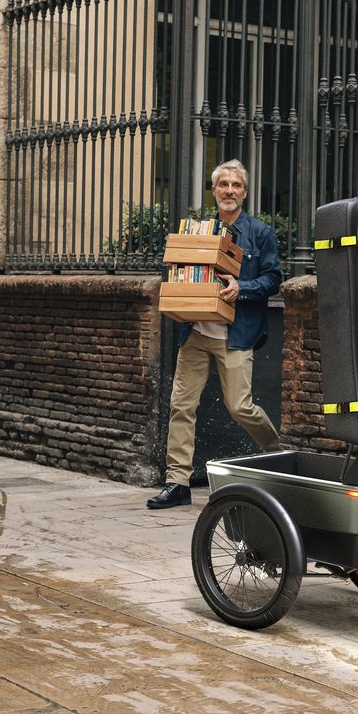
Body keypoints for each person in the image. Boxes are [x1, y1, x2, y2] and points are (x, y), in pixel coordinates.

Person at [147, 159, 282, 509]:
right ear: (214, 190)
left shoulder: (260, 233)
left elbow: (273, 279)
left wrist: (243, 287)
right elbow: (183, 266)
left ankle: (277, 453)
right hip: (196, 330)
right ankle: (177, 481)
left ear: (245, 192)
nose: (229, 191)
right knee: (181, 405)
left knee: (240, 406)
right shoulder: (200, 231)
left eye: (236, 185)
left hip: (236, 333)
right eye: (223, 184)